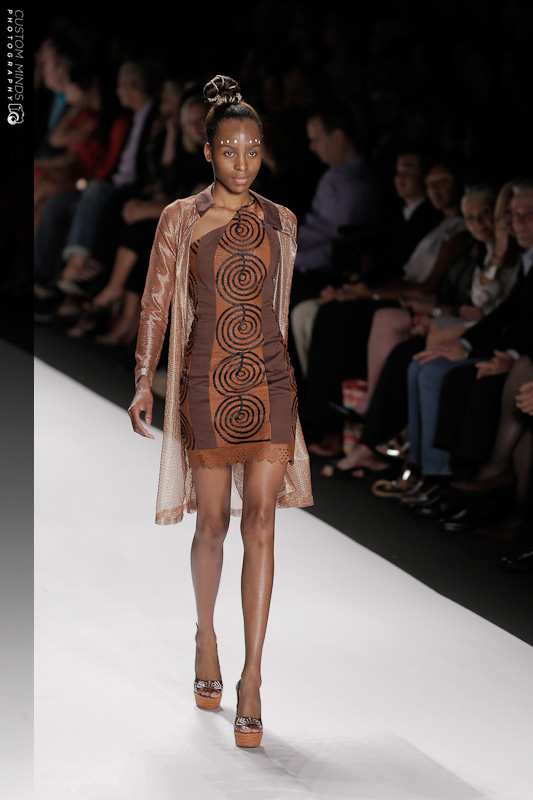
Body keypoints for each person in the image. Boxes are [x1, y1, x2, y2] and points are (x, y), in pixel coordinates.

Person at [127, 75, 313, 749]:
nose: (242, 162)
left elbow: (276, 310)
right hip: (205, 381)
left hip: (269, 380)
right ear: (207, 151)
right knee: (212, 523)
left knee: (261, 522)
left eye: (252, 150)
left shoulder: (282, 220)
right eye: (229, 150)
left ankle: (252, 678)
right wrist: (143, 379)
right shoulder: (181, 217)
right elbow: (156, 300)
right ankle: (205, 635)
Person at [289, 100, 378, 306]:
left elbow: (336, 251)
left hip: (318, 277)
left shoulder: (355, 187)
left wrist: (288, 257)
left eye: (317, 140)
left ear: (337, 137)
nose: (312, 147)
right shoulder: (335, 174)